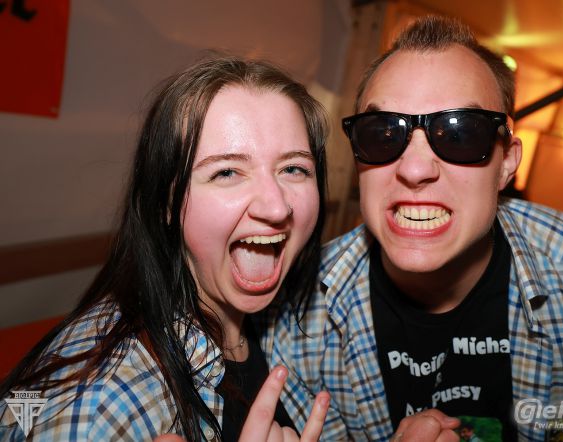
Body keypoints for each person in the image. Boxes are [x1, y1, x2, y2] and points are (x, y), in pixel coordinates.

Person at [258, 15, 563, 442]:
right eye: (383, 134)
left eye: (459, 134)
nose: (415, 169)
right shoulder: (294, 321)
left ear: (507, 162)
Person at [0, 55, 330, 441]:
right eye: (226, 172)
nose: (276, 207)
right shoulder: (103, 405)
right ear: (166, 203)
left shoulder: (280, 317)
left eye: (293, 169)